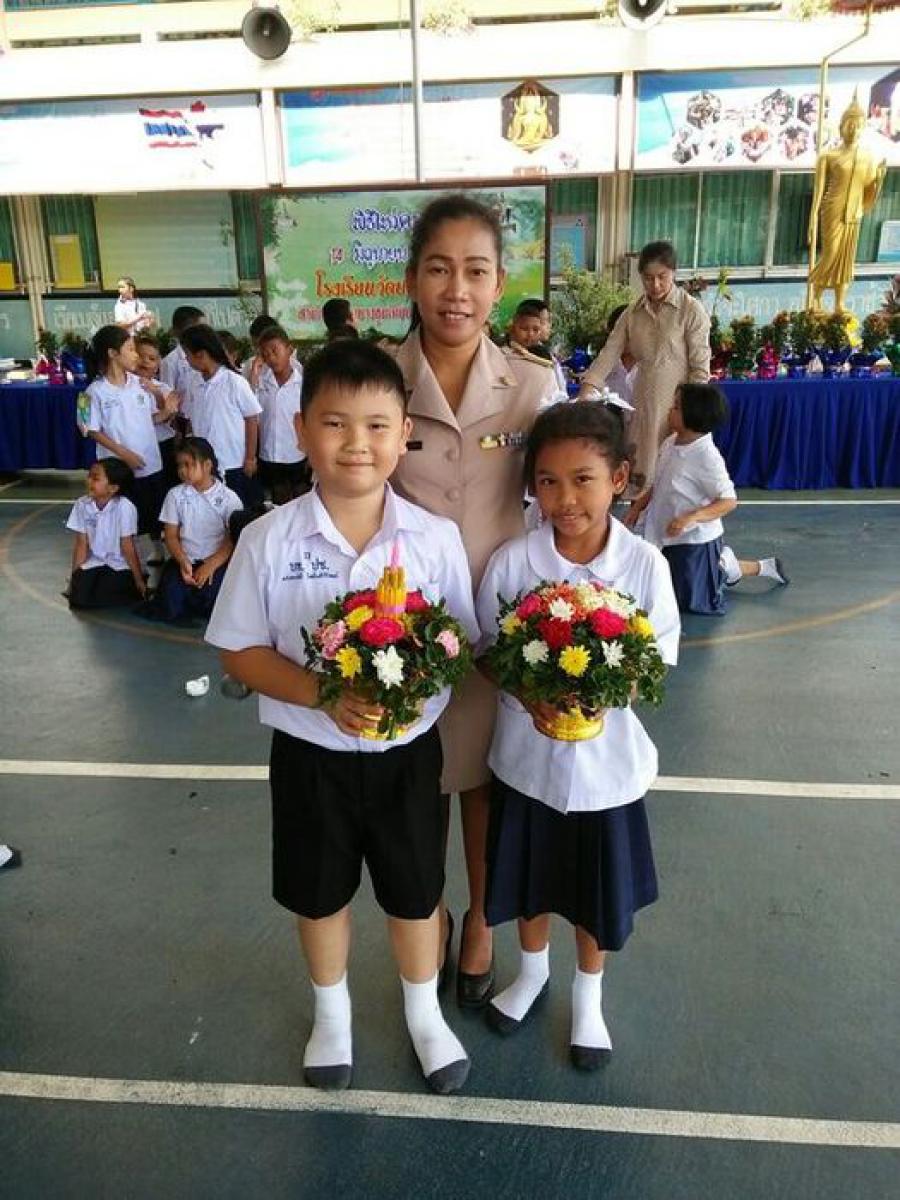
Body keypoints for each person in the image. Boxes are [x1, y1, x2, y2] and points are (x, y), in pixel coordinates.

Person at [205, 340, 479, 1095]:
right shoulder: (266, 539)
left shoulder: (434, 539)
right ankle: (332, 1015)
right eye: (335, 423)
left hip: (408, 756)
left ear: (404, 434)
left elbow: (458, 642)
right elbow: (239, 650)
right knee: (318, 892)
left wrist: (410, 686)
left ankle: (424, 1015)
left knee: (415, 893)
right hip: (310, 756)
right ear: (300, 430)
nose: (357, 443)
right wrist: (323, 694)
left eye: (377, 425)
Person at [389, 193, 558, 1008]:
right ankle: (428, 919)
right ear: (412, 280)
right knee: (413, 790)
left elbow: (560, 505)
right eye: (439, 268)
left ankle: (484, 920)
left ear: (498, 285)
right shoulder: (380, 381)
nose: (457, 289)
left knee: (490, 785)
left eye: (476, 271)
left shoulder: (533, 384)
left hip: (500, 631)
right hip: (399, 632)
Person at [475, 402, 680, 1068]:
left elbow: (657, 658)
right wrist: (528, 690)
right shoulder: (514, 562)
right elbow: (485, 649)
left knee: (595, 889)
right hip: (525, 760)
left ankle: (588, 995)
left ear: (619, 478)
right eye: (548, 481)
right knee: (530, 877)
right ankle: (531, 971)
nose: (565, 499)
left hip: (606, 770)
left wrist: (604, 690)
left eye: (583, 479)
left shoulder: (644, 565)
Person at [624, 383, 789, 615]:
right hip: (664, 530)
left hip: (692, 539)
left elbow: (728, 500)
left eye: (676, 407)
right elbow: (658, 482)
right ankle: (716, 565)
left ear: (693, 415)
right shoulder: (670, 442)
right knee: (660, 587)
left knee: (692, 602)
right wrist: (638, 507)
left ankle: (735, 565)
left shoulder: (706, 457)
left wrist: (691, 517)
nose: (670, 410)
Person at [580, 241, 710, 490]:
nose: (655, 285)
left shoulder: (691, 310)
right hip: (641, 402)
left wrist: (691, 413)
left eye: (662, 277)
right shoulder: (632, 313)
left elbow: (700, 367)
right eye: (648, 278)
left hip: (677, 408)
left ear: (674, 273)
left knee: (674, 478)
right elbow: (609, 352)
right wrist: (588, 389)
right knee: (640, 473)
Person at [83, 326, 168, 547]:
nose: (136, 355)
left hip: (149, 463)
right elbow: (90, 429)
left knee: (153, 514)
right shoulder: (93, 391)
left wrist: (157, 394)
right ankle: (125, 559)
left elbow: (156, 415)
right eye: (130, 349)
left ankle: (158, 551)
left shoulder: (140, 383)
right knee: (124, 519)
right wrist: (124, 454)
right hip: (118, 469)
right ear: (113, 353)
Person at [808, 96, 887, 313]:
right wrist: (812, 219)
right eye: (849, 125)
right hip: (832, 208)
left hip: (854, 213)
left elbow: (870, 187)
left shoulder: (867, 157)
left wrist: (879, 178)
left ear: (863, 129)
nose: (853, 130)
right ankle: (815, 296)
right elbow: (818, 192)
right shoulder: (828, 156)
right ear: (841, 127)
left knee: (846, 259)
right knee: (831, 253)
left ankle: (839, 303)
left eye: (858, 126)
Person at [153, 437, 242, 623]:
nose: (182, 471)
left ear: (207, 465)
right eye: (180, 465)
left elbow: (232, 538)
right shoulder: (175, 495)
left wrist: (211, 565)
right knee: (171, 603)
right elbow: (171, 536)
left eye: (188, 465)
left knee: (215, 600)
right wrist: (182, 561)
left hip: (217, 560)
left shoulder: (229, 498)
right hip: (186, 559)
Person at [180, 324, 263, 509]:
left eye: (187, 354)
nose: (186, 359)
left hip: (233, 461)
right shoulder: (193, 382)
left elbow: (251, 419)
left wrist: (250, 458)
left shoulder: (234, 382)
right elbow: (190, 419)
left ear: (201, 354)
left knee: (235, 509)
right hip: (203, 464)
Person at [65, 458, 146, 609]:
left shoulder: (125, 507)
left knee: (112, 592)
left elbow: (127, 546)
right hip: (95, 561)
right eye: (89, 476)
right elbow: (81, 545)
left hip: (120, 564)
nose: (89, 481)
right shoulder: (82, 504)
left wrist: (139, 580)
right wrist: (74, 579)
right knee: (79, 599)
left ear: (113, 488)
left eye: (95, 478)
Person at [255, 325, 310, 504]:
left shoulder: (303, 386)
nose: (271, 358)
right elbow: (254, 418)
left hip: (295, 455)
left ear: (289, 349)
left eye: (275, 351)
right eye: (265, 354)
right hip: (267, 455)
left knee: (298, 500)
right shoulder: (260, 384)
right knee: (273, 503)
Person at [135, 333, 181, 494]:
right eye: (141, 356)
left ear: (158, 365)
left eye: (152, 358)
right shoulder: (126, 389)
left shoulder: (163, 388)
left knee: (164, 488)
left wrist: (156, 392)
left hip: (163, 445)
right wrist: (163, 414)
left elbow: (168, 416)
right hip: (138, 446)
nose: (145, 361)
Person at [505, 297, 568, 396]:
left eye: (535, 328)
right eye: (545, 321)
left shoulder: (545, 355)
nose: (549, 326)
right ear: (514, 327)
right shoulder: (504, 356)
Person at [160, 306, 206, 412]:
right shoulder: (171, 362)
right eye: (201, 329)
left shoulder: (207, 354)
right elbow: (168, 395)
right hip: (184, 417)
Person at [242, 314, 281, 388]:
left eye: (260, 346)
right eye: (254, 345)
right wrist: (253, 376)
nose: (257, 350)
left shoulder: (294, 367)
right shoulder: (249, 366)